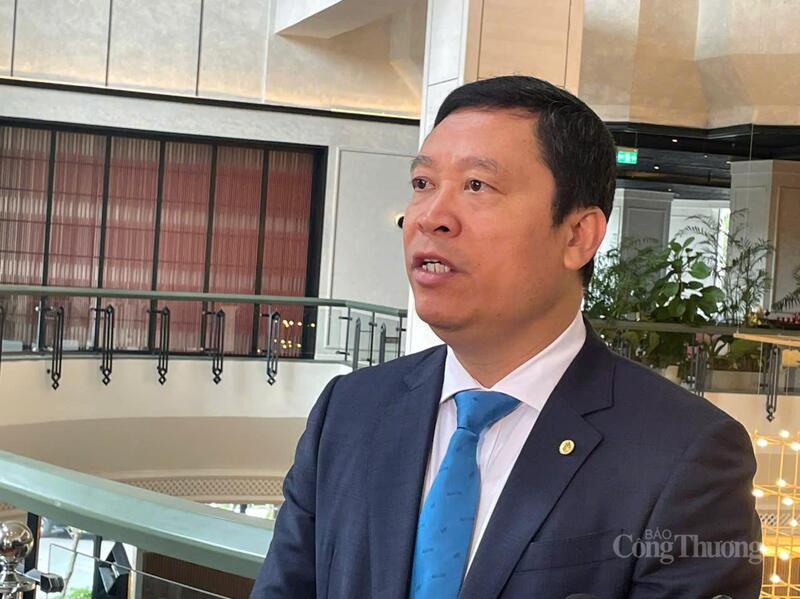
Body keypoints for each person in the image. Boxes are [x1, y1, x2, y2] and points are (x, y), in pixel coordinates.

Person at [250, 75, 762, 599]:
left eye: (477, 185)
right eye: (423, 183)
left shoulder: (684, 453)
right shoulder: (350, 411)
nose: (430, 217)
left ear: (577, 235)